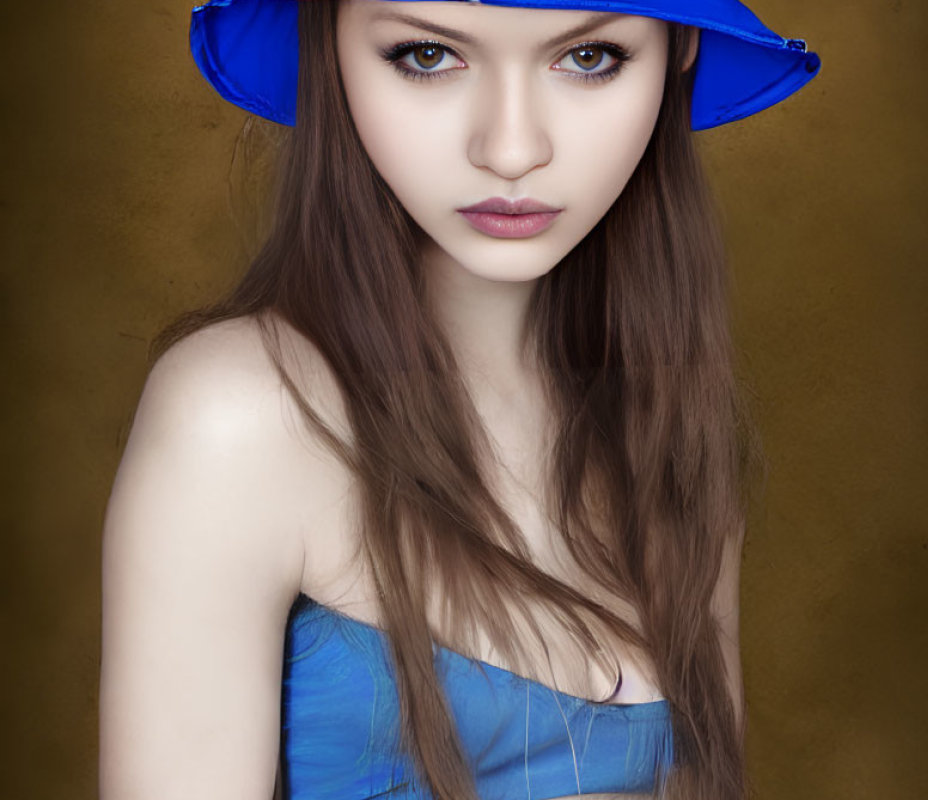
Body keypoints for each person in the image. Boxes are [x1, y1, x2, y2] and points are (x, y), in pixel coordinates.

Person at [98, 1, 820, 799]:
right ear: (328, 46)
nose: (512, 148)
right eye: (427, 55)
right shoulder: (240, 416)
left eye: (588, 59)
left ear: (679, 50)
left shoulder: (670, 427)